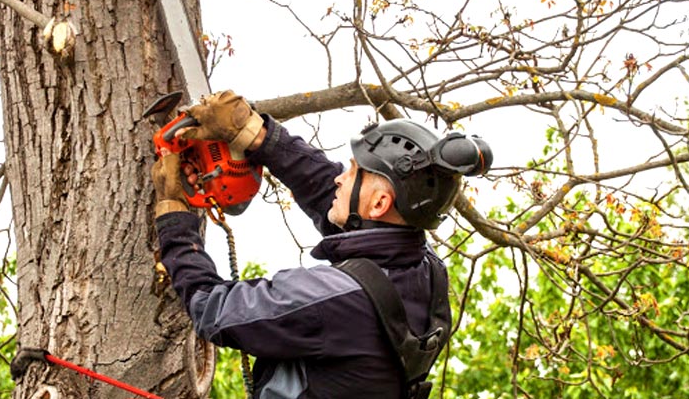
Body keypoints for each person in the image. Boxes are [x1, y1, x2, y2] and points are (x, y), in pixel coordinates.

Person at [151, 91, 492, 399]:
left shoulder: (333, 298)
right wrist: (259, 136)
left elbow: (213, 309)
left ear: (378, 204)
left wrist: (174, 217)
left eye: (354, 171)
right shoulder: (425, 271)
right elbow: (327, 193)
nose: (340, 177)